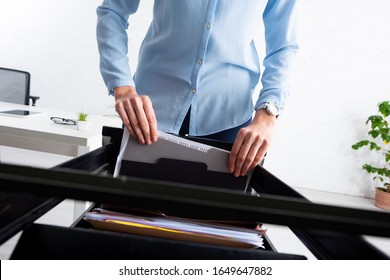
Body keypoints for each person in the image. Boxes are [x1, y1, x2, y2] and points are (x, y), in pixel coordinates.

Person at [96, 0, 298, 177]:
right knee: (129, 213)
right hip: (148, 115)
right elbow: (113, 11)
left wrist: (268, 115)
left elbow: (283, 46)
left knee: (218, 218)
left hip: (230, 120)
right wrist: (121, 87)